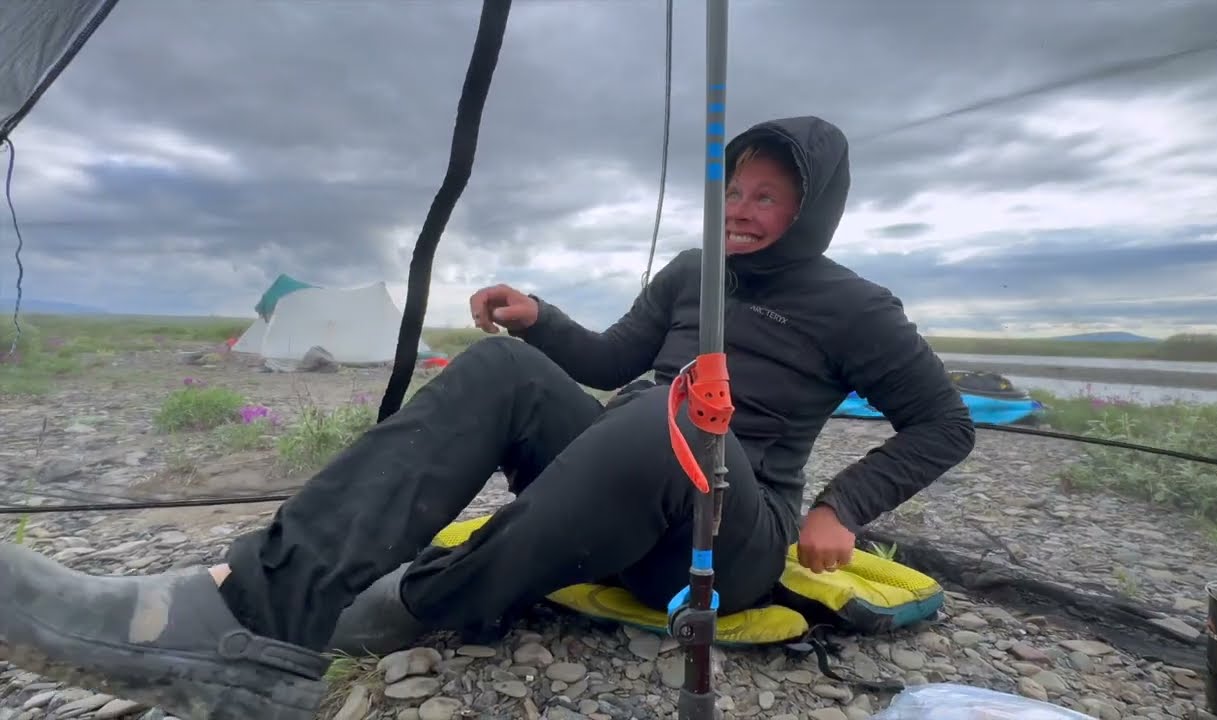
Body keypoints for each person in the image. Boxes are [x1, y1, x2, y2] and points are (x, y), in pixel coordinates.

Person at [0, 116, 975, 720]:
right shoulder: (691, 272)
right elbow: (607, 361)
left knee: (668, 420)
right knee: (512, 369)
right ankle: (266, 604)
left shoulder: (856, 307)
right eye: (735, 188)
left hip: (731, 533)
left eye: (770, 195)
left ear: (816, 210)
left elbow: (940, 424)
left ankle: (410, 609)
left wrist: (841, 507)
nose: (742, 207)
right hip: (633, 475)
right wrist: (540, 318)